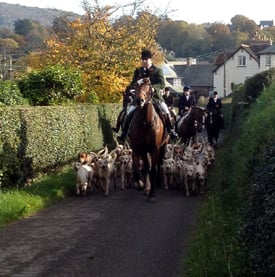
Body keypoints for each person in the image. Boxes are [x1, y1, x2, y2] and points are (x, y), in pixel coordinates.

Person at [115, 49, 178, 143]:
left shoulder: (157, 71)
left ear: (150, 60)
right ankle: (124, 134)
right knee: (129, 112)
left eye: (146, 59)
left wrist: (153, 88)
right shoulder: (138, 71)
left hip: (155, 98)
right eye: (142, 59)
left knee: (165, 110)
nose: (144, 61)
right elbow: (132, 83)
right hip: (140, 98)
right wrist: (135, 84)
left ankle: (171, 130)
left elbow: (162, 84)